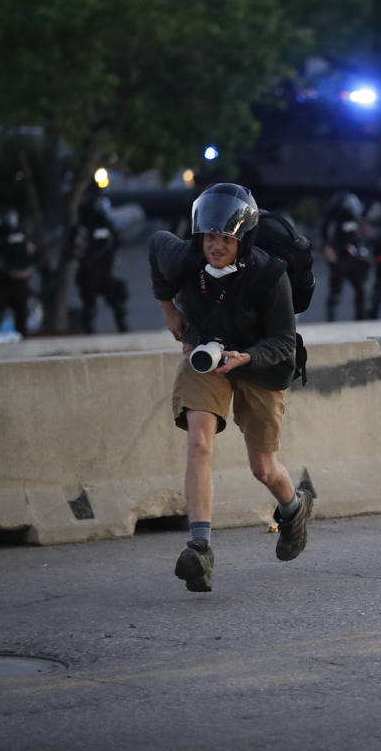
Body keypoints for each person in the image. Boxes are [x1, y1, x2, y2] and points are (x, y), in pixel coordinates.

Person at [148, 182, 315, 593]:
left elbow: (282, 342)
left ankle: (294, 508)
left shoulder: (270, 274)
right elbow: (156, 244)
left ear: (242, 237)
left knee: (263, 468)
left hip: (262, 365)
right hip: (205, 352)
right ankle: (200, 549)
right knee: (199, 442)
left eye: (226, 238)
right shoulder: (185, 257)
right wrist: (168, 307)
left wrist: (246, 358)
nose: (215, 246)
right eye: (209, 236)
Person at [68, 192, 129, 333]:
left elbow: (115, 242)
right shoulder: (85, 227)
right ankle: (89, 332)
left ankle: (123, 329)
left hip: (105, 273)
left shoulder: (106, 226)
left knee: (117, 302)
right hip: (89, 273)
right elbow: (75, 248)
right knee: (89, 306)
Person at [0, 209, 36, 340]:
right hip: (2, 281)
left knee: (21, 314)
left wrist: (26, 269)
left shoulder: (21, 235)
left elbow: (32, 253)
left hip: (20, 281)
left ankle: (24, 342)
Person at [320, 191, 371, 321]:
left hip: (354, 258)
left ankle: (361, 319)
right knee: (335, 292)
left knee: (360, 290)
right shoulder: (333, 220)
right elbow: (326, 239)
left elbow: (362, 235)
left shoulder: (355, 219)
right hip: (340, 257)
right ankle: (331, 320)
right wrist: (330, 252)